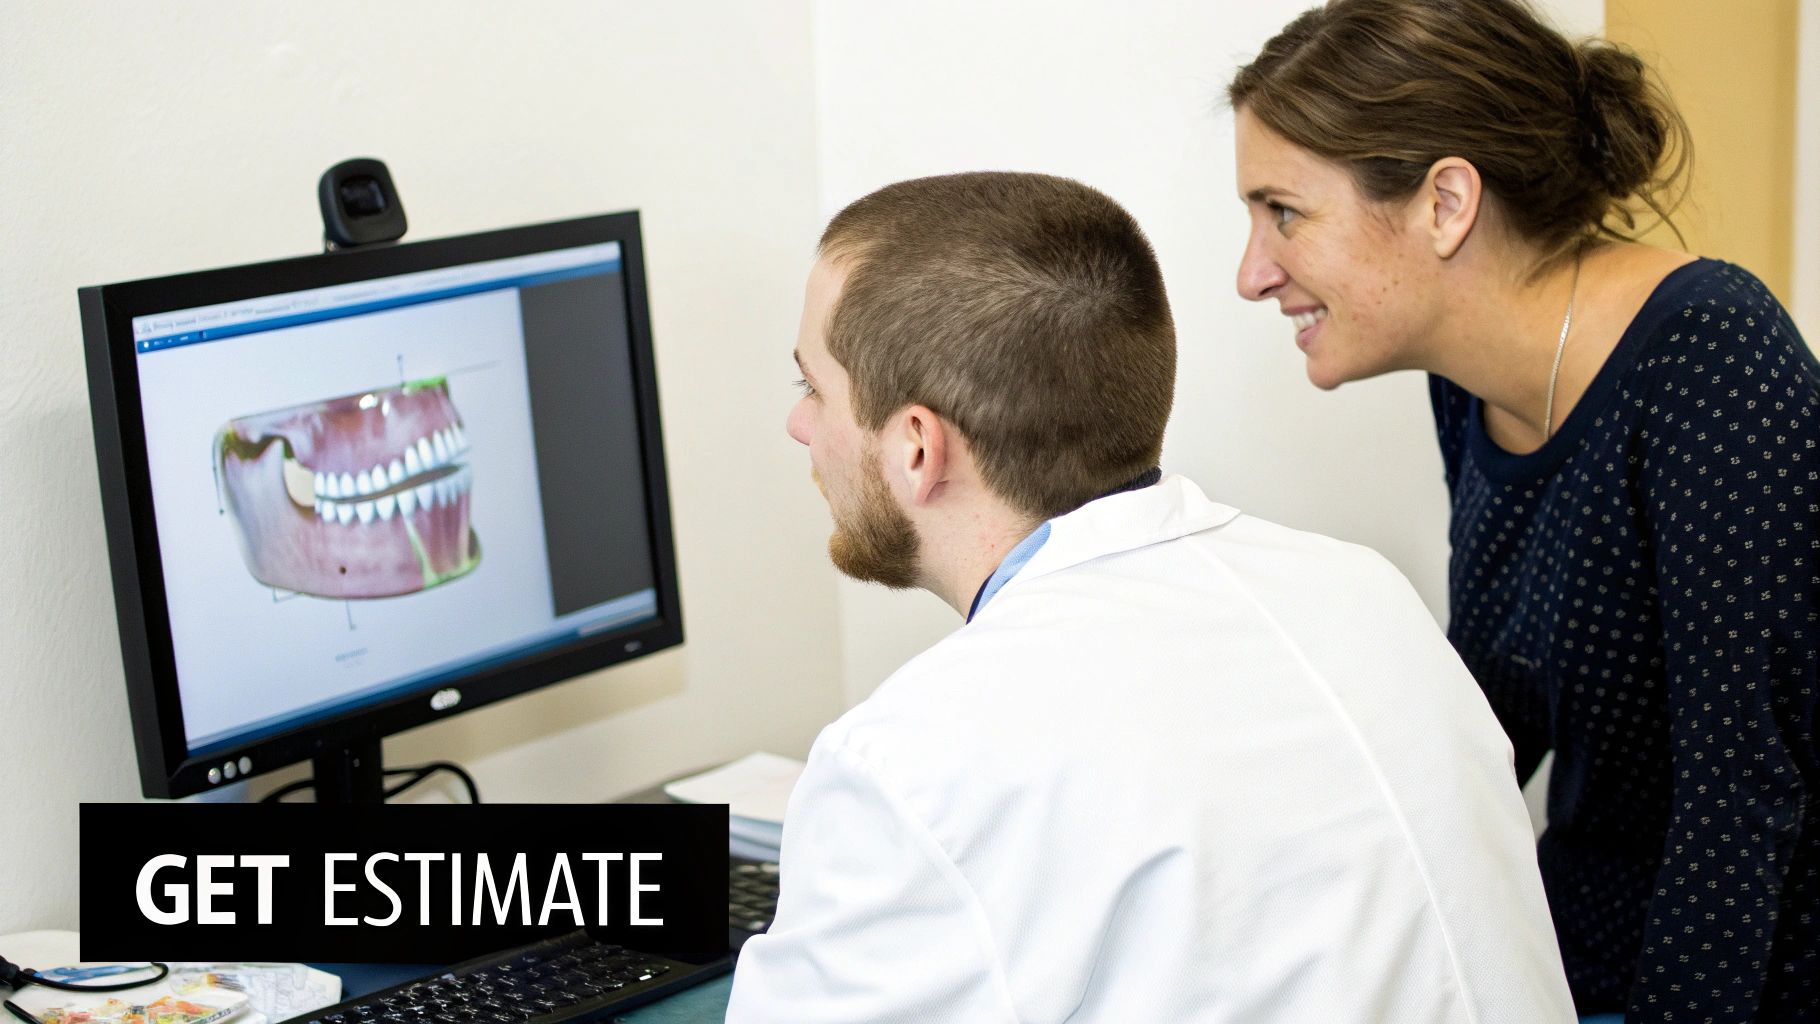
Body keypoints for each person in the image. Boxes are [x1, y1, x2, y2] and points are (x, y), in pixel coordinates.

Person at [724, 170, 1575, 1022]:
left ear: (918, 447)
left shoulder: (912, 763)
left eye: (814, 390)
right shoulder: (1362, 592)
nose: (801, 426)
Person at [1228, 1, 1820, 1019]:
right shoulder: (1467, 382)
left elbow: (1743, 802)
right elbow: (1498, 717)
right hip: (1572, 952)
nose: (1251, 273)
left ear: (1445, 203)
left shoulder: (1710, 357)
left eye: (1283, 212)